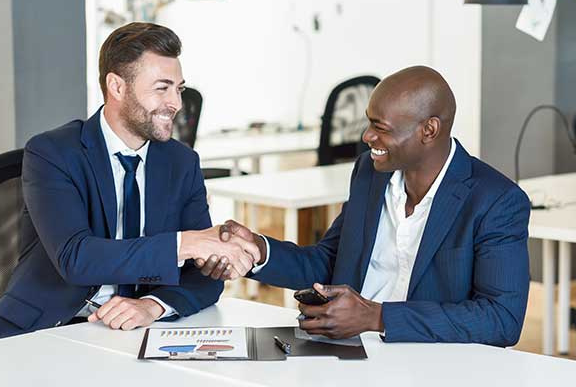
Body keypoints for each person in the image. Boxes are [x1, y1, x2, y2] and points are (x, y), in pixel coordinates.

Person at [197, 66, 531, 347]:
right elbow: (330, 261)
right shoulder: (369, 173)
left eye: (380, 128)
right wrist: (259, 250)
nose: (367, 137)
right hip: (347, 350)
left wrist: (376, 317)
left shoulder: (495, 200)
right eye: (369, 123)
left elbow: (501, 319)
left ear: (429, 130)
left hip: (428, 361)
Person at [0, 22, 259, 342]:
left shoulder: (182, 162)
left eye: (179, 88)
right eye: (161, 87)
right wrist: (186, 243)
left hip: (134, 331)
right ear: (116, 86)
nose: (177, 103)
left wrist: (152, 305)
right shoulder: (53, 153)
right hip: (46, 327)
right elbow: (77, 257)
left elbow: (202, 275)